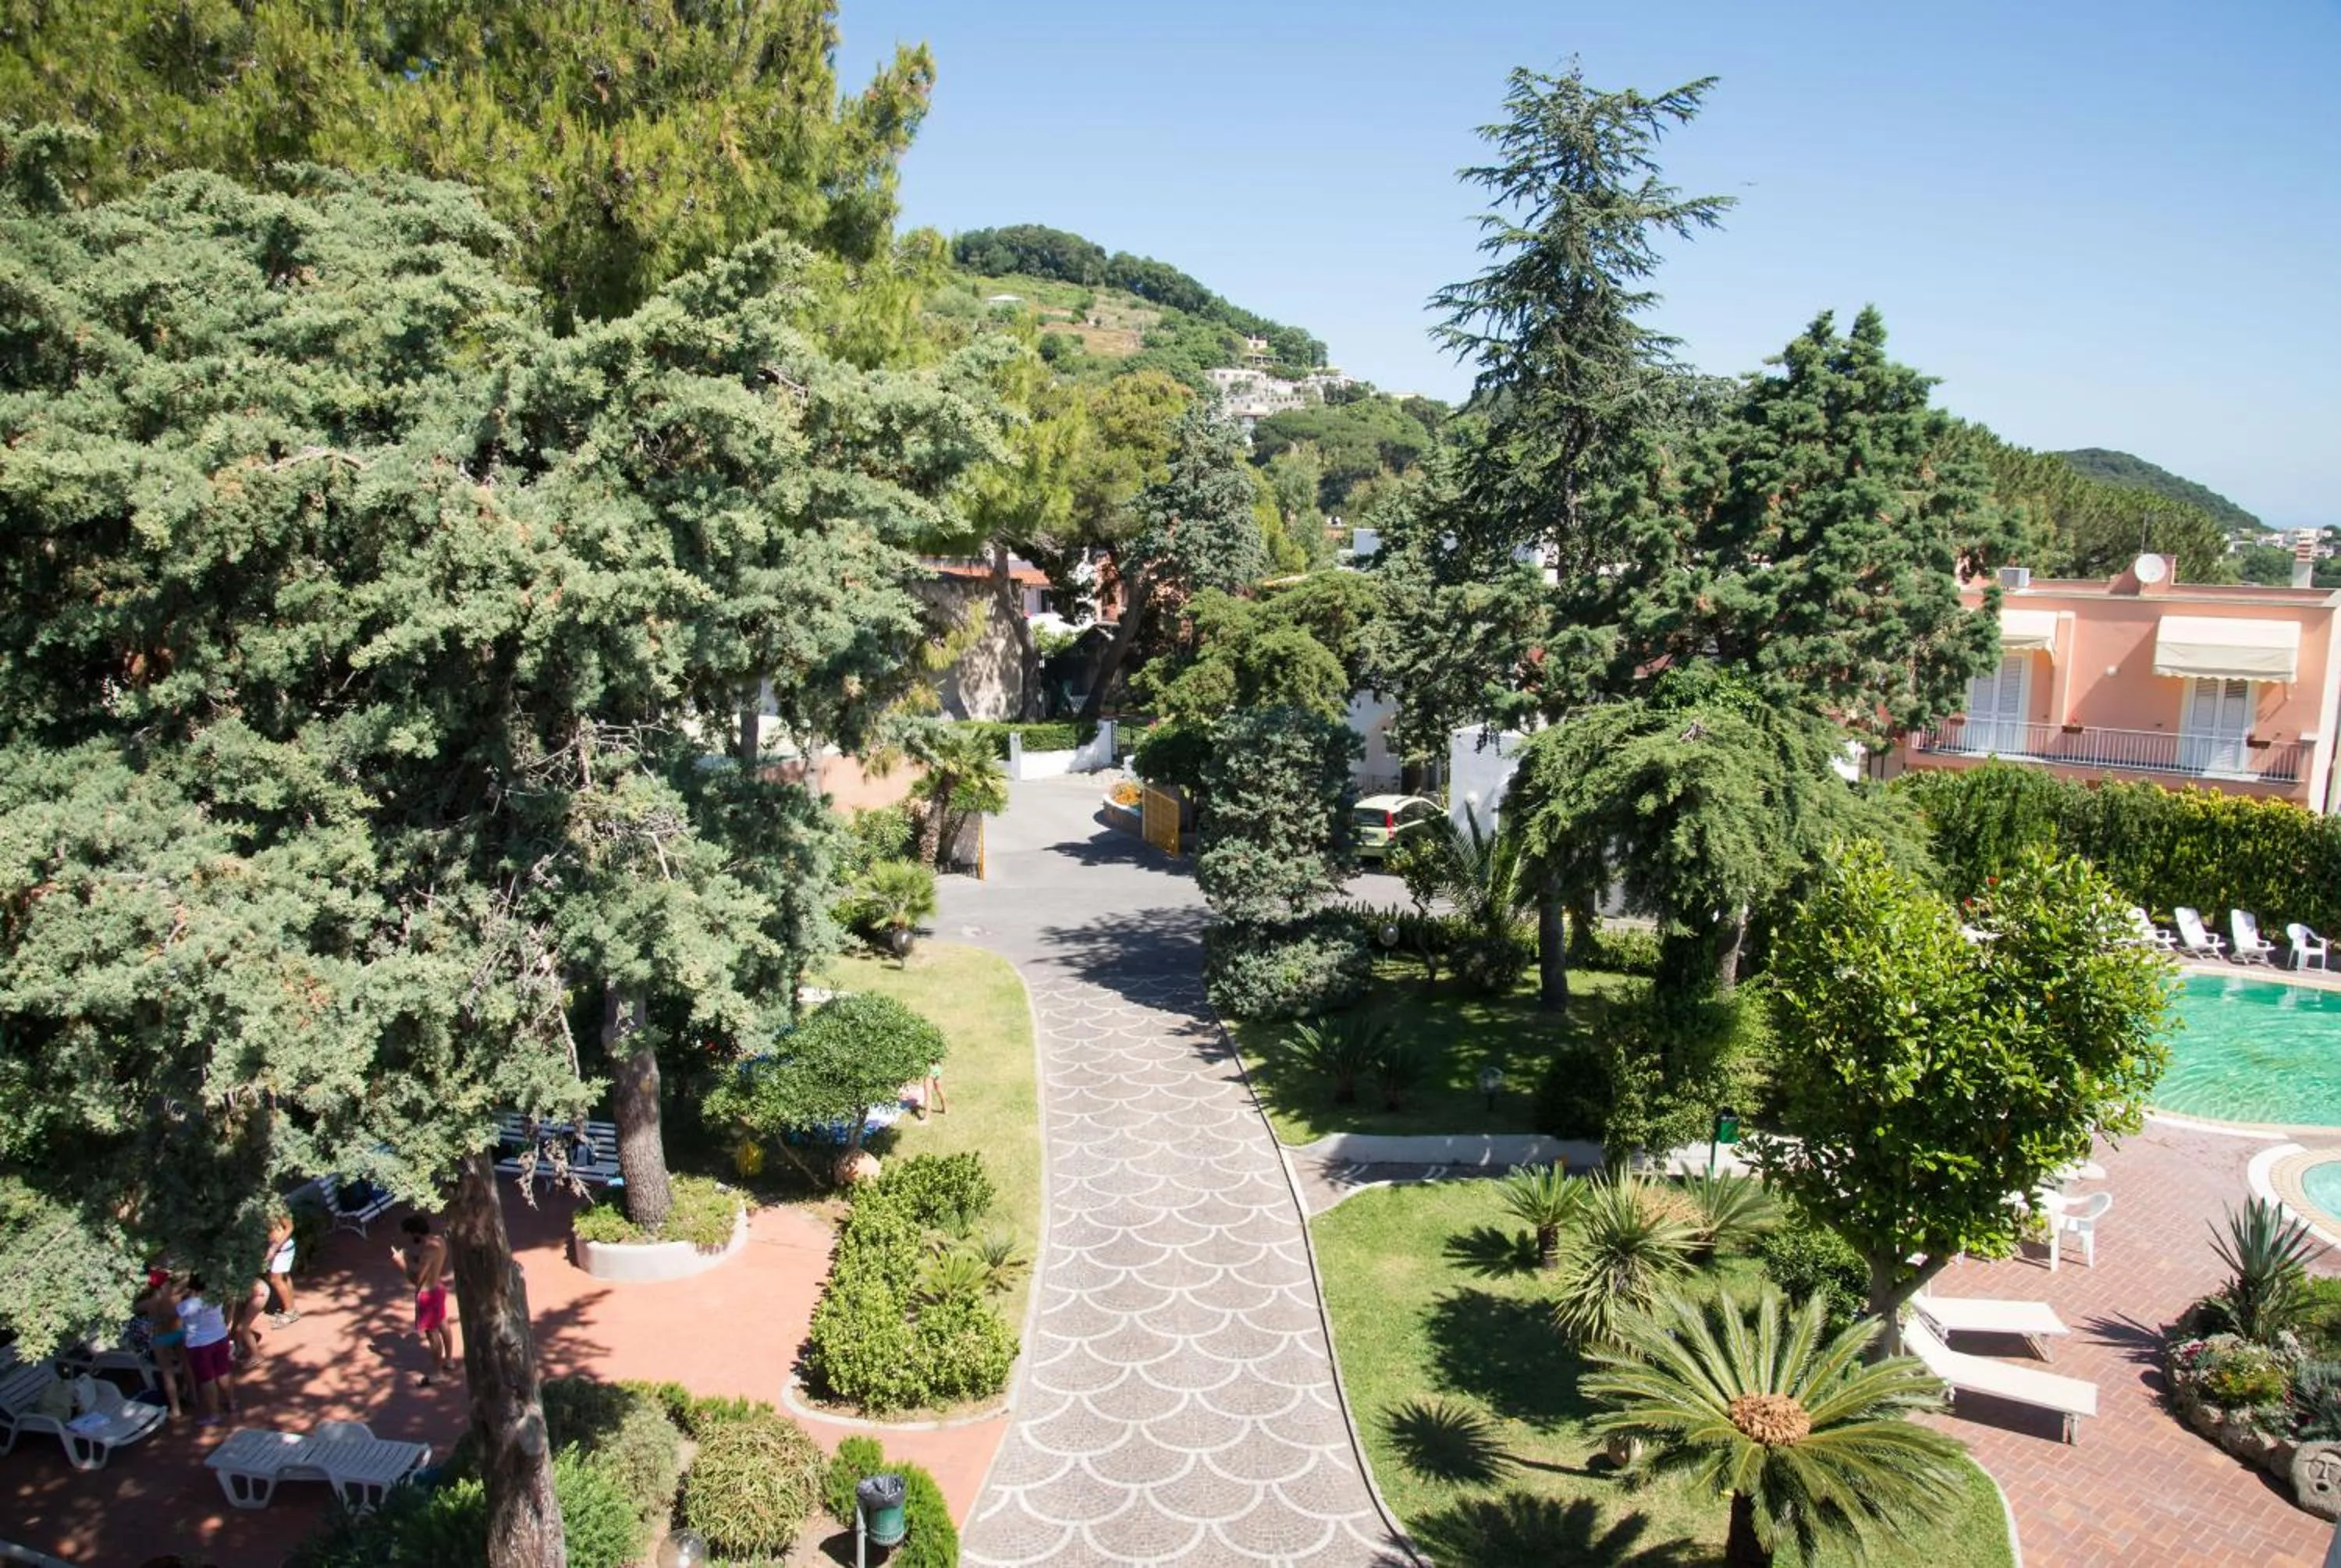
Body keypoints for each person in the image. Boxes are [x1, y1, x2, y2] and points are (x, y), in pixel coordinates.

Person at [391, 1215, 453, 1387]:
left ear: (416, 1232)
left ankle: (438, 1373)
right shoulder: (439, 1241)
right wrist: (413, 1258)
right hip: (438, 1288)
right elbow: (430, 1264)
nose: (411, 1239)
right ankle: (449, 1360)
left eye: (411, 1235)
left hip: (427, 1296)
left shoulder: (428, 1250)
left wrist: (401, 1263)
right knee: (444, 1324)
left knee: (432, 1334)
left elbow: (417, 1279)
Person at [177, 1275, 239, 1426]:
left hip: (199, 1344)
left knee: (207, 1379)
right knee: (223, 1371)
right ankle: (231, 1402)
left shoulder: (187, 1305)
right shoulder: (215, 1297)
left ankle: (214, 1414)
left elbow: (175, 1316)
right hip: (220, 1337)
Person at [133, 1268, 190, 1422]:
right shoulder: (175, 1298)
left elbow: (133, 1309)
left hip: (161, 1338)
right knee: (186, 1364)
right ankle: (191, 1394)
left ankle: (176, 1409)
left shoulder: (150, 1304)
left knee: (168, 1374)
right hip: (177, 1333)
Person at [264, 1213, 298, 1325]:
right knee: (284, 1277)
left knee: (275, 1280)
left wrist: (274, 1248)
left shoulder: (275, 1207)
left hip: (282, 1248)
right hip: (278, 1248)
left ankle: (290, 1312)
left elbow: (290, 1227)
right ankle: (292, 1309)